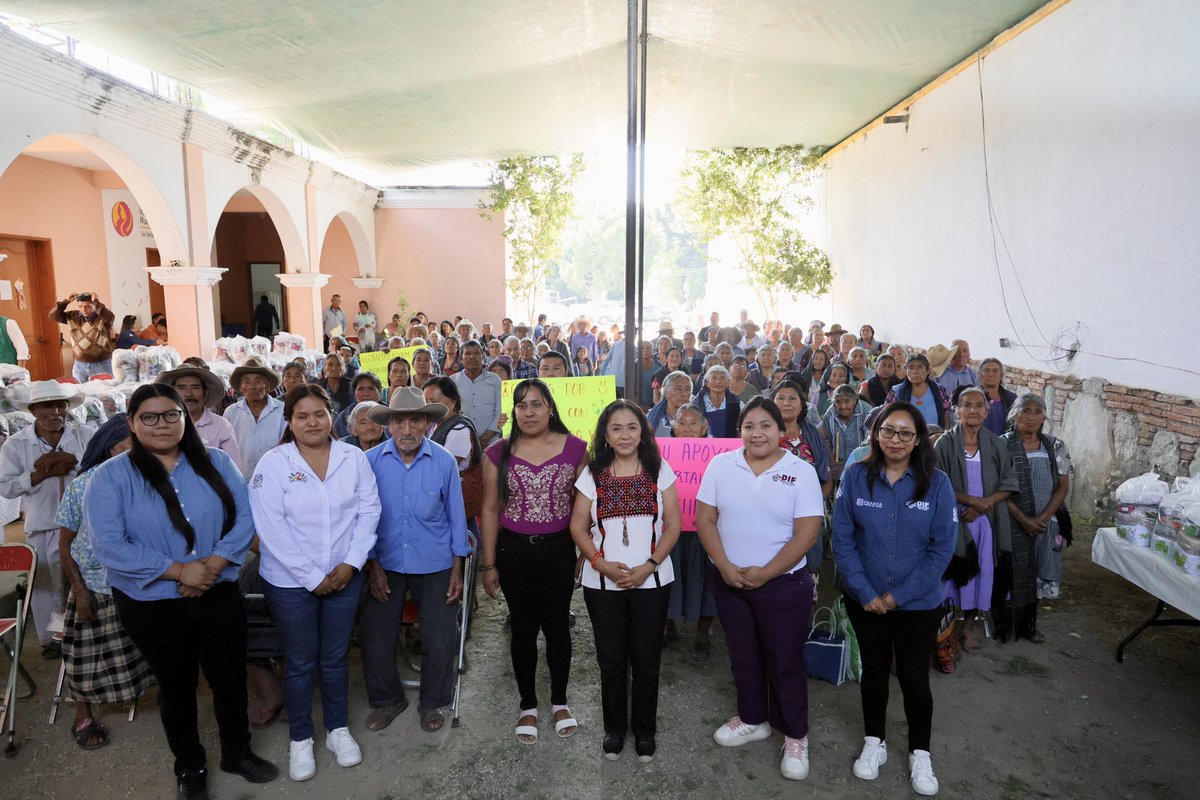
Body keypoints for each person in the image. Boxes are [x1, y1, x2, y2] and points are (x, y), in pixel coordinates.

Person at [87, 384, 278, 799]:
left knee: (228, 678)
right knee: (176, 686)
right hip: (151, 603)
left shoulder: (217, 462)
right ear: (132, 422)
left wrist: (212, 565)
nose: (162, 424)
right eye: (150, 417)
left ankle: (237, 752)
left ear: (185, 418)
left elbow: (244, 517)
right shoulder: (110, 477)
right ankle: (189, 766)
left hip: (218, 590)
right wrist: (177, 572)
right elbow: (110, 544)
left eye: (171, 414)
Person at [248, 385, 380, 781]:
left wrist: (352, 564)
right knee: (301, 661)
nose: (312, 422)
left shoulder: (352, 458)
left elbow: (369, 512)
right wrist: (310, 577)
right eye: (302, 416)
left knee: (335, 657)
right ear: (289, 421)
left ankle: (337, 730)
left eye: (319, 414)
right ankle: (301, 737)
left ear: (331, 416)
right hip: (290, 584)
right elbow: (270, 529)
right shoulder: (272, 464)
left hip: (344, 577)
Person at [831, 402, 957, 797]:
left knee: (915, 677)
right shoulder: (855, 477)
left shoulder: (937, 484)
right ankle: (875, 741)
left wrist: (897, 596)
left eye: (905, 433)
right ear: (876, 433)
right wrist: (867, 593)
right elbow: (842, 539)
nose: (895, 440)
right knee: (873, 670)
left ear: (918, 438)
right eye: (888, 431)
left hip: (917, 605)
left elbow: (941, 551)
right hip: (865, 601)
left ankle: (920, 751)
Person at [696, 397, 824, 781]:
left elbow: (807, 532)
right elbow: (706, 518)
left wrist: (767, 573)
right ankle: (753, 719)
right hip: (731, 580)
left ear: (781, 430)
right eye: (749, 425)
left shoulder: (800, 472)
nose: (758, 433)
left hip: (782, 584)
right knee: (743, 655)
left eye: (766, 425)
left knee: (784, 660)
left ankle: (796, 735)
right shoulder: (721, 465)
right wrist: (724, 565)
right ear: (740, 431)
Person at [570, 400, 680, 761]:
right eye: (616, 428)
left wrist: (650, 564)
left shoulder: (659, 469)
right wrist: (600, 564)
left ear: (643, 431)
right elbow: (577, 526)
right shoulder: (592, 473)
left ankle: (645, 731)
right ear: (605, 433)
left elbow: (673, 526)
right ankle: (614, 729)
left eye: (632, 427)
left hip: (653, 579)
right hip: (602, 583)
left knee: (647, 659)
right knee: (612, 659)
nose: (624, 435)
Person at [480, 379, 588, 744]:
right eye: (522, 405)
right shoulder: (498, 452)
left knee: (557, 627)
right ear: (514, 411)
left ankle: (559, 701)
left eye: (537, 404)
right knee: (523, 629)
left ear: (550, 408)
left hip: (559, 549)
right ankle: (528, 704)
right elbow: (491, 508)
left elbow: (582, 509)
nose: (529, 412)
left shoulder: (576, 449)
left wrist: (583, 555)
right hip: (514, 552)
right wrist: (490, 564)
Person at [360, 388, 471, 734]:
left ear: (426, 423)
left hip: (436, 562)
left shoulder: (443, 461)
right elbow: (364, 518)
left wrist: (457, 568)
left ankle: (433, 701)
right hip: (386, 562)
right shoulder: (370, 462)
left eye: (415, 420)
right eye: (399, 420)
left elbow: (457, 518)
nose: (407, 428)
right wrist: (373, 565)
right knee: (375, 635)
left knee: (440, 637)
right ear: (389, 424)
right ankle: (388, 699)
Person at [56, 414, 153, 750]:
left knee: (151, 648)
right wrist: (79, 591)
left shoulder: (151, 480)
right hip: (95, 584)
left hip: (139, 581)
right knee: (85, 657)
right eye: (133, 440)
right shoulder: (83, 484)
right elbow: (65, 544)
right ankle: (82, 713)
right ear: (113, 447)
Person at [0, 381, 93, 657]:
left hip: (82, 522)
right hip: (42, 522)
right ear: (33, 410)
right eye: (46, 406)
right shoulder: (17, 444)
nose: (54, 412)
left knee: (82, 578)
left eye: (60, 405)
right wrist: (38, 475)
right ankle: (53, 637)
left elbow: (102, 466)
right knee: (46, 584)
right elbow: (4, 485)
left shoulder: (84, 434)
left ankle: (85, 634)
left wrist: (71, 460)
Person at [934, 387, 1017, 653]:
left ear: (987, 411)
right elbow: (937, 483)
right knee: (951, 576)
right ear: (956, 411)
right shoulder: (944, 444)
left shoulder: (995, 444)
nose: (973, 410)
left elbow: (1008, 481)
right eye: (966, 405)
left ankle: (968, 628)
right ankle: (945, 628)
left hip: (987, 522)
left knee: (982, 572)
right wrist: (970, 502)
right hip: (955, 520)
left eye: (979, 405)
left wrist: (986, 504)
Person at [1001, 394, 1072, 641]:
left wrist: (1042, 518)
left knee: (1040, 569)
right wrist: (1023, 519)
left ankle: (1029, 624)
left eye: (1037, 411)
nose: (1031, 417)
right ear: (1014, 415)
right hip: (1011, 521)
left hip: (1046, 522)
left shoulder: (1054, 445)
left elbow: (1063, 486)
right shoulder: (1002, 445)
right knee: (1012, 571)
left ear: (1044, 417)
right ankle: (1006, 623)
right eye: (1025, 410)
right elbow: (997, 488)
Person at [772, 380, 832, 594]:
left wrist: (813, 503)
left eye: (792, 398)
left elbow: (827, 480)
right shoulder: (763, 435)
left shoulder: (813, 436)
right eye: (781, 398)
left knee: (803, 588)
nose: (786, 403)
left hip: (807, 513)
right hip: (771, 515)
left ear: (802, 404)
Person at [158, 363, 240, 462]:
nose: (188, 394)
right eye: (182, 387)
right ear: (172, 393)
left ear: (205, 393)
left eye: (195, 387)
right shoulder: (162, 426)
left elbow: (234, 470)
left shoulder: (221, 427)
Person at [224, 357, 287, 480]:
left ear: (268, 386)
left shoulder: (282, 410)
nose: (252, 386)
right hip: (241, 479)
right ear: (241, 388)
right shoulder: (231, 412)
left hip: (275, 478)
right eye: (247, 382)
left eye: (258, 381)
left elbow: (287, 445)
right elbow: (226, 450)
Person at [51, 291, 116, 382]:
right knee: (81, 392)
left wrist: (96, 301)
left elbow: (110, 318)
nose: (84, 310)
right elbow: (53, 316)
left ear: (94, 305)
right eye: (80, 306)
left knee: (105, 393)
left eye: (88, 306)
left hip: (102, 364)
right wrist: (66, 301)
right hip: (79, 365)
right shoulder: (73, 316)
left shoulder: (102, 317)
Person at [451, 340, 502, 447]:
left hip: (492, 438)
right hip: (461, 438)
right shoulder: (453, 381)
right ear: (460, 358)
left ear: (483, 356)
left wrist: (488, 435)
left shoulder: (494, 380)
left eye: (476, 353)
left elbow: (500, 410)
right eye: (468, 353)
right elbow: (451, 412)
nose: (472, 357)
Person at [886, 354, 951, 430]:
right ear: (906, 371)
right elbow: (887, 416)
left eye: (919, 367)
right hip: (905, 437)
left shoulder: (938, 390)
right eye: (911, 367)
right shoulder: (896, 392)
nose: (915, 372)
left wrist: (944, 436)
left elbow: (946, 414)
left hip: (935, 437)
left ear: (927, 370)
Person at [821, 384, 873, 475]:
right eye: (838, 402)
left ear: (855, 400)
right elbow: (827, 438)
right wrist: (832, 460)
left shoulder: (867, 411)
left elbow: (870, 442)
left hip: (863, 463)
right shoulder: (830, 413)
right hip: (838, 462)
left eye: (847, 401)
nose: (842, 406)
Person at [332, 372, 383, 438]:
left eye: (371, 389)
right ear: (354, 393)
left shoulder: (389, 413)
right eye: (361, 389)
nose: (366, 393)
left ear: (379, 391)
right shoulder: (343, 417)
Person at [647, 371, 694, 438]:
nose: (684, 394)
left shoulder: (698, 419)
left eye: (687, 389)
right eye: (678, 389)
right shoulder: (650, 419)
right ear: (666, 392)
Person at [979, 358, 1018, 436]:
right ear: (980, 375)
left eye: (995, 371)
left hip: (1004, 444)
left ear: (1001, 376)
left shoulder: (1012, 399)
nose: (990, 374)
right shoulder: (972, 397)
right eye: (986, 370)